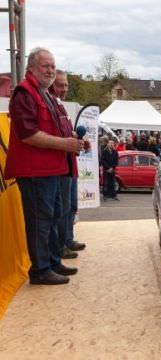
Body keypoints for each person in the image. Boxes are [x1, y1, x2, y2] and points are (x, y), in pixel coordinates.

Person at [5, 47, 82, 285]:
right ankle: (40, 269)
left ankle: (51, 262)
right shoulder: (24, 94)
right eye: (45, 66)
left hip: (52, 170)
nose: (50, 70)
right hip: (36, 172)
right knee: (40, 221)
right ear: (31, 68)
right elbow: (28, 134)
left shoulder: (45, 95)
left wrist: (73, 143)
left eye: (52, 66)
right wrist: (65, 144)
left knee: (53, 217)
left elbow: (54, 131)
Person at [50, 70, 86, 259]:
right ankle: (60, 245)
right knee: (61, 209)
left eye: (66, 85)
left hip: (70, 165)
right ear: (51, 85)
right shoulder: (51, 106)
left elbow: (65, 134)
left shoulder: (60, 107)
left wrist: (77, 140)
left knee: (71, 206)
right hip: (61, 168)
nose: (64, 89)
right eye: (60, 85)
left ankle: (68, 239)